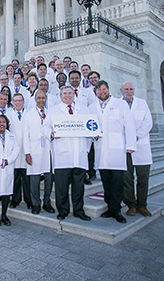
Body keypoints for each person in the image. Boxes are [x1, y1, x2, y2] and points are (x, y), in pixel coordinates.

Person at [91, 80, 137, 224]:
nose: (102, 92)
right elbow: (90, 127)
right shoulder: (92, 107)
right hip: (102, 150)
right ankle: (110, 208)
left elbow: (129, 125)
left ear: (108, 90)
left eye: (104, 89)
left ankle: (116, 210)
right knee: (106, 182)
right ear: (96, 92)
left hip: (117, 150)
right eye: (99, 90)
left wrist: (130, 144)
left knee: (117, 183)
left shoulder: (120, 104)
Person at [46, 86, 92, 221]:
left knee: (79, 187)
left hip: (79, 155)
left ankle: (79, 210)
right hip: (62, 155)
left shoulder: (84, 110)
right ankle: (63, 210)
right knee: (61, 187)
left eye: (70, 93)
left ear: (74, 95)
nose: (67, 96)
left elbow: (90, 128)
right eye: (64, 93)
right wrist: (51, 133)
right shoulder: (54, 110)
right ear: (60, 96)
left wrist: (87, 149)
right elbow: (46, 126)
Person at [120, 82, 153, 217]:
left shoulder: (142, 103)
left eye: (131, 89)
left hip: (141, 145)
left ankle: (142, 205)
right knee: (127, 178)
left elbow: (148, 122)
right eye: (126, 89)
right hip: (125, 146)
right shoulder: (117, 104)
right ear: (121, 90)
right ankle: (131, 205)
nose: (129, 91)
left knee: (143, 178)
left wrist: (137, 135)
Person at [23, 91, 54, 214]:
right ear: (35, 99)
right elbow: (25, 135)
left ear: (46, 99)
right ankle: (35, 204)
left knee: (49, 178)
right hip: (34, 149)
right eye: (39, 98)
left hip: (48, 149)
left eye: (43, 98)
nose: (41, 100)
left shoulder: (50, 113)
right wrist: (27, 153)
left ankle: (46, 202)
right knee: (35, 178)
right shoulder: (29, 114)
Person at [7, 93, 31, 209]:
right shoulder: (8, 115)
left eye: (20, 100)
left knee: (27, 178)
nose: (18, 103)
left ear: (23, 101)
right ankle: (15, 199)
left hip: (26, 150)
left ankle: (28, 200)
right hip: (14, 151)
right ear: (12, 102)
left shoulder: (29, 114)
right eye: (15, 101)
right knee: (15, 177)